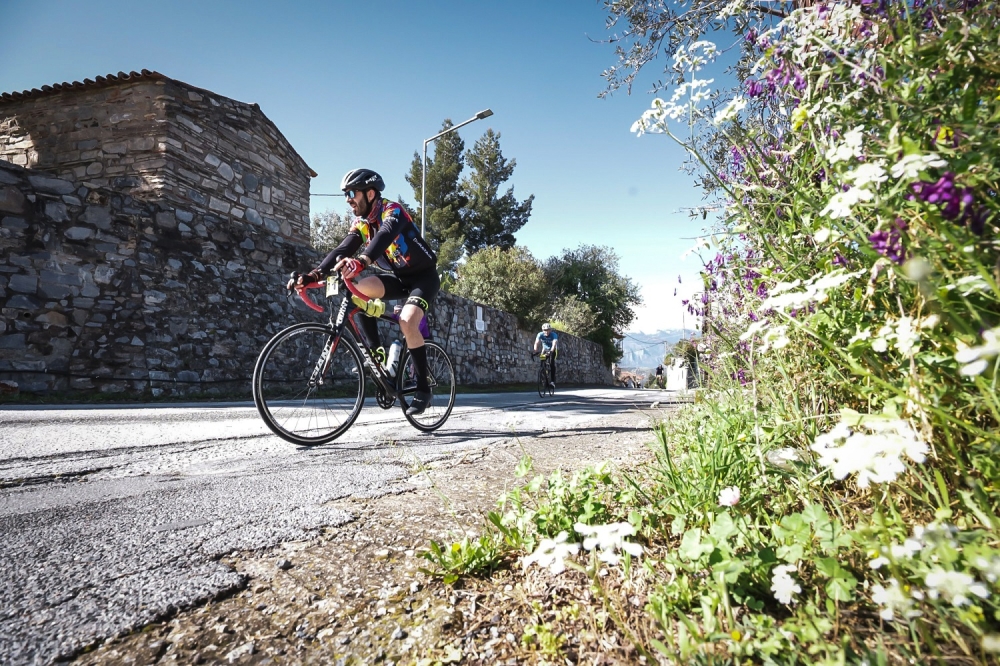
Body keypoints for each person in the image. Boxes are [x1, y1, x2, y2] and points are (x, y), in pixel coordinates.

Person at [290, 168, 439, 415]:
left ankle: (423, 389)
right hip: (398, 277)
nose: (348, 199)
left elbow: (384, 236)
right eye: (345, 195)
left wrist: (362, 261)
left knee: (407, 320)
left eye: (351, 193)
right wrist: (313, 275)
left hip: (424, 277)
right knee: (357, 291)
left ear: (370, 194)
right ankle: (376, 354)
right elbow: (342, 249)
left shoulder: (393, 211)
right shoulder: (361, 223)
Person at [533, 322, 559, 388]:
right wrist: (535, 351)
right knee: (542, 365)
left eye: (548, 330)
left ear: (550, 330)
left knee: (551, 364)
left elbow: (554, 344)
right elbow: (536, 343)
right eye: (545, 330)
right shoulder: (540, 334)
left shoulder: (554, 335)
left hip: (552, 350)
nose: (546, 331)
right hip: (544, 350)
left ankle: (552, 382)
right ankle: (545, 380)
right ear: (542, 330)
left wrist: (551, 351)